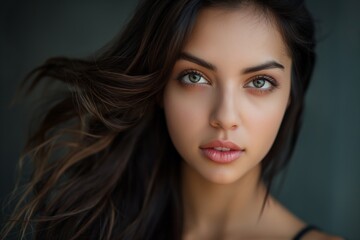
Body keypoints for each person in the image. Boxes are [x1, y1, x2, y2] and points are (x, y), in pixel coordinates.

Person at [1, 0, 345, 239]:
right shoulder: (95, 228)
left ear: (290, 96)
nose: (224, 118)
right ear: (160, 87)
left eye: (259, 82)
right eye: (194, 77)